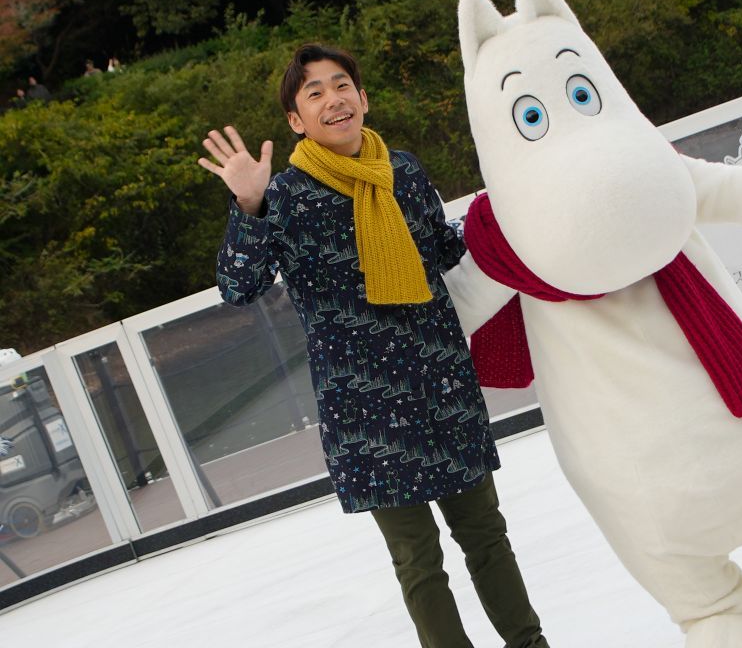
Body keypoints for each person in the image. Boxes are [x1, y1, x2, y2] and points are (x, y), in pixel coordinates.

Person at [198, 43, 549, 648]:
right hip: (367, 410)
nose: (333, 99)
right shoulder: (285, 198)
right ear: (296, 120)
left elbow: (444, 249)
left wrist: (512, 216)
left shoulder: (403, 171)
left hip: (441, 383)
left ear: (362, 98)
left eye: (342, 86)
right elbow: (238, 286)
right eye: (314, 93)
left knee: (487, 535)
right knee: (418, 559)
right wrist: (249, 205)